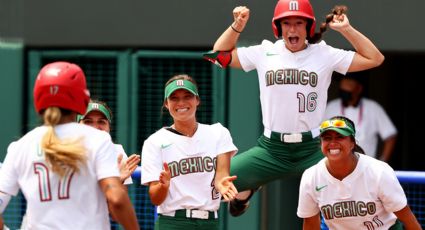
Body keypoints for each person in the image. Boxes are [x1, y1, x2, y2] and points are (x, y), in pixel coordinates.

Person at [203, 0, 385, 217]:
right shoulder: (265, 51)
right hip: (271, 149)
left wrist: (346, 29)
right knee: (215, 183)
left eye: (299, 23)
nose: (292, 28)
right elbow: (219, 56)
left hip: (314, 148)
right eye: (286, 23)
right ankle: (247, 189)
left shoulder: (324, 54)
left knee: (362, 179)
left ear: (308, 27)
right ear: (278, 27)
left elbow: (375, 58)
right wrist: (237, 27)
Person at [0, 61, 139, 229]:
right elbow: (117, 200)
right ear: (82, 98)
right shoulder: (98, 140)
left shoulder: (20, 146)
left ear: (37, 98)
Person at [141, 74, 238, 230]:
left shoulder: (218, 133)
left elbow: (221, 176)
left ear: (197, 100)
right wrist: (163, 186)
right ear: (166, 103)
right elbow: (155, 198)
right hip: (172, 222)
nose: (181, 103)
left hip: (209, 222)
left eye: (187, 96)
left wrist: (222, 185)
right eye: (174, 98)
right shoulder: (154, 141)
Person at [297, 116, 421, 229]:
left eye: (340, 137)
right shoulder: (311, 176)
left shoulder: (379, 171)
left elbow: (407, 218)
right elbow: (310, 223)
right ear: (321, 144)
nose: (333, 143)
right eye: (327, 138)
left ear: (352, 143)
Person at [325, 73, 397, 162]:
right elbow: (318, 134)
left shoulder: (373, 107)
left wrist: (383, 161)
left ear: (358, 89)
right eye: (342, 89)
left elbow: (390, 135)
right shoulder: (331, 107)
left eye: (348, 87)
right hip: (337, 165)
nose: (344, 91)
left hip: (367, 166)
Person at [77, 100, 141, 185]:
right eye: (88, 121)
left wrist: (118, 181)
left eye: (101, 122)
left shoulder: (118, 152)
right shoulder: (64, 153)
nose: (95, 127)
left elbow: (119, 197)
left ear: (109, 127)